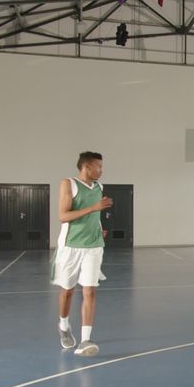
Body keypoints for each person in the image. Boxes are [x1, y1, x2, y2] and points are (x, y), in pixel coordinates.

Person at [53, 151, 112, 357]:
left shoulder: (99, 187)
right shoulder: (68, 184)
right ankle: (63, 325)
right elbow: (63, 216)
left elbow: (95, 216)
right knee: (67, 291)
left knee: (90, 291)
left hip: (94, 246)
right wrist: (93, 207)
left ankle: (85, 339)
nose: (101, 170)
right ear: (86, 167)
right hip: (71, 246)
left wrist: (98, 228)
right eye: (99, 166)